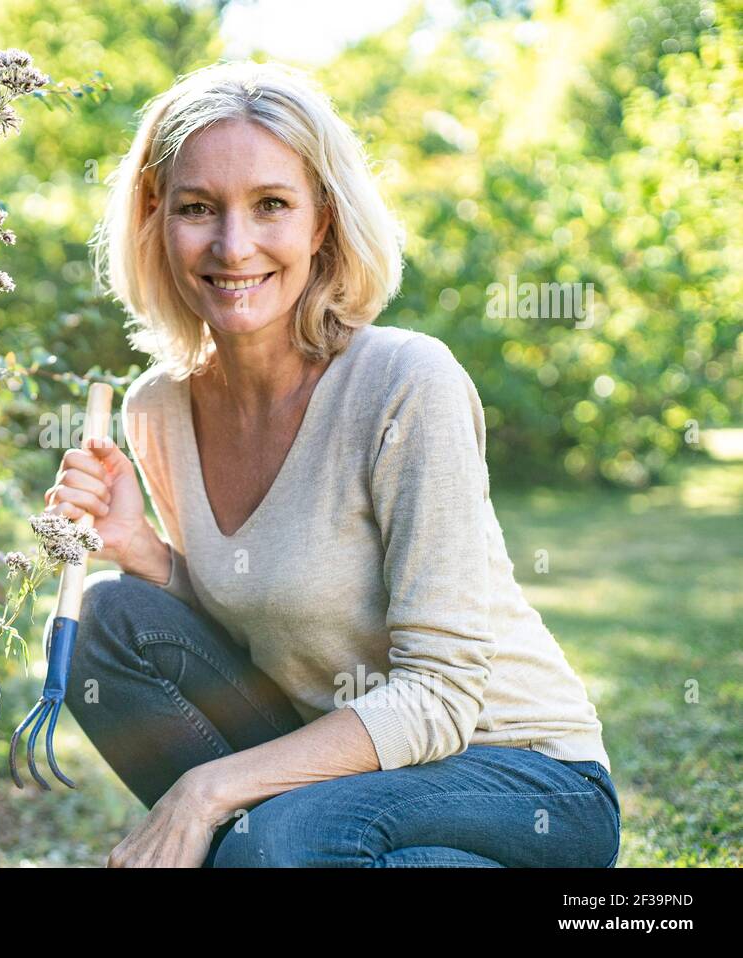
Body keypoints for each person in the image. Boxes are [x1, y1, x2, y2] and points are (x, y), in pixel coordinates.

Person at [41, 60, 620, 868]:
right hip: (338, 763)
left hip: (518, 777)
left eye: (271, 204)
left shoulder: (405, 382)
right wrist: (145, 555)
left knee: (272, 841)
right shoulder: (157, 408)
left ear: (322, 222)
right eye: (198, 208)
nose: (232, 245)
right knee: (112, 620)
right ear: (156, 220)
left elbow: (442, 696)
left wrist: (207, 790)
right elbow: (264, 618)